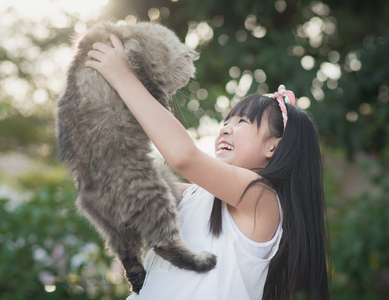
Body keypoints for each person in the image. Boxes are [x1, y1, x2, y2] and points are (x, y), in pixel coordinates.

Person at [85, 34, 330, 300]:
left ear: (273, 146)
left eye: (242, 122)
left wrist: (123, 77)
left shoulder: (261, 197)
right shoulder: (195, 196)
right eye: (227, 121)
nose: (226, 129)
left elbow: (184, 157)